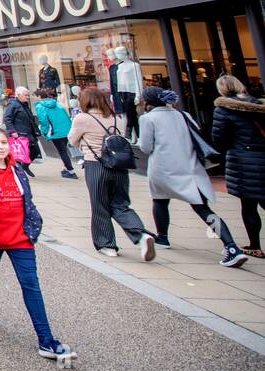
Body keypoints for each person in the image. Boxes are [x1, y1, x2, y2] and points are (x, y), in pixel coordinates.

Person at [0, 125, 77, 361]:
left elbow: (27, 200)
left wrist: (34, 221)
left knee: (31, 284)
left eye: (4, 142)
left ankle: (46, 340)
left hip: (21, 236)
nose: (1, 147)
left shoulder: (17, 169)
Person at [137, 87, 247, 267]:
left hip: (163, 167)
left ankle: (163, 238)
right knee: (203, 208)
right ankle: (231, 246)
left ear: (148, 102)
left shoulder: (148, 119)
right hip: (190, 166)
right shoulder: (184, 115)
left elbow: (145, 147)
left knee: (160, 201)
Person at [69, 86, 155, 260]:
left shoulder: (82, 118)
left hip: (96, 165)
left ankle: (107, 244)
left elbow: (72, 140)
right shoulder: (117, 119)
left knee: (100, 205)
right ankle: (141, 236)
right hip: (119, 166)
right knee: (121, 204)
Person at [212, 74, 265, 259]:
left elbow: (219, 139)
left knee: (249, 205)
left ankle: (255, 245)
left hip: (243, 159)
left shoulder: (223, 109)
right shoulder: (259, 105)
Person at [34, 88, 77, 179]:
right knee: (64, 150)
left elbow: (43, 121)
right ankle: (66, 169)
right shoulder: (57, 103)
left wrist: (45, 133)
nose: (33, 98)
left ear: (39, 96)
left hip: (55, 132)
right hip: (66, 130)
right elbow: (66, 116)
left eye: (34, 96)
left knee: (62, 152)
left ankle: (71, 171)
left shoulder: (40, 106)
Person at [2, 86, 42, 176]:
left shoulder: (24, 104)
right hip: (20, 133)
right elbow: (7, 118)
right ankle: (18, 172)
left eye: (27, 95)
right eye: (25, 95)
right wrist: (12, 131)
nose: (27, 97)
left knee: (35, 151)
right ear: (18, 95)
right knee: (19, 154)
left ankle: (25, 166)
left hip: (29, 132)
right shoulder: (13, 104)